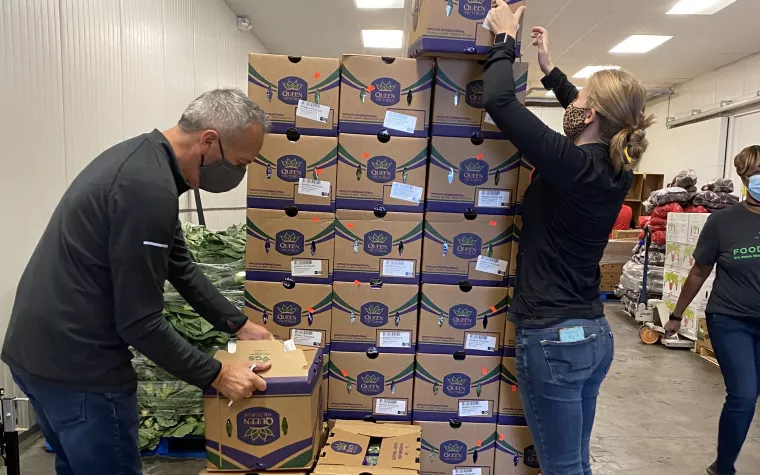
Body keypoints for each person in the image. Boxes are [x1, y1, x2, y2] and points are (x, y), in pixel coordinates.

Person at [2, 89, 274, 475]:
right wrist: (217, 375)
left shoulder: (143, 160)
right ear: (209, 140)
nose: (237, 175)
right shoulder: (147, 189)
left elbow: (179, 264)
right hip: (81, 371)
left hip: (38, 354)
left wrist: (238, 324)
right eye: (238, 163)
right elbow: (140, 322)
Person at [483, 3, 655, 474]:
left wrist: (504, 39)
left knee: (563, 468)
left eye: (579, 101)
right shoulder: (615, 168)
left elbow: (500, 102)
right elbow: (592, 118)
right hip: (591, 335)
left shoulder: (571, 165)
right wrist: (550, 70)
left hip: (552, 339)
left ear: (593, 114)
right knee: (575, 462)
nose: (572, 105)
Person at [665, 146, 760, 475]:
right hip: (731, 320)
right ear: (744, 179)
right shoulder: (723, 222)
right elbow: (698, 272)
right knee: (745, 394)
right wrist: (676, 316)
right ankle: (724, 466)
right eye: (755, 175)